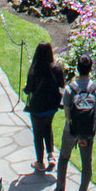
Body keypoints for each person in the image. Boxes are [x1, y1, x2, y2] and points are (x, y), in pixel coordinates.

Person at [52, 54, 96, 191]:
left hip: (71, 130)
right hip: (87, 133)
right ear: (90, 69)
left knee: (63, 159)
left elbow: (67, 112)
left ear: (77, 68)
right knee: (86, 165)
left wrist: (73, 126)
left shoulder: (70, 89)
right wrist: (88, 126)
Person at [24, 41, 63, 174]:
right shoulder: (57, 68)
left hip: (37, 107)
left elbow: (27, 89)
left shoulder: (34, 70)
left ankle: (40, 162)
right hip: (52, 106)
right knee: (48, 127)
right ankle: (51, 155)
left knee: (38, 133)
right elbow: (61, 84)